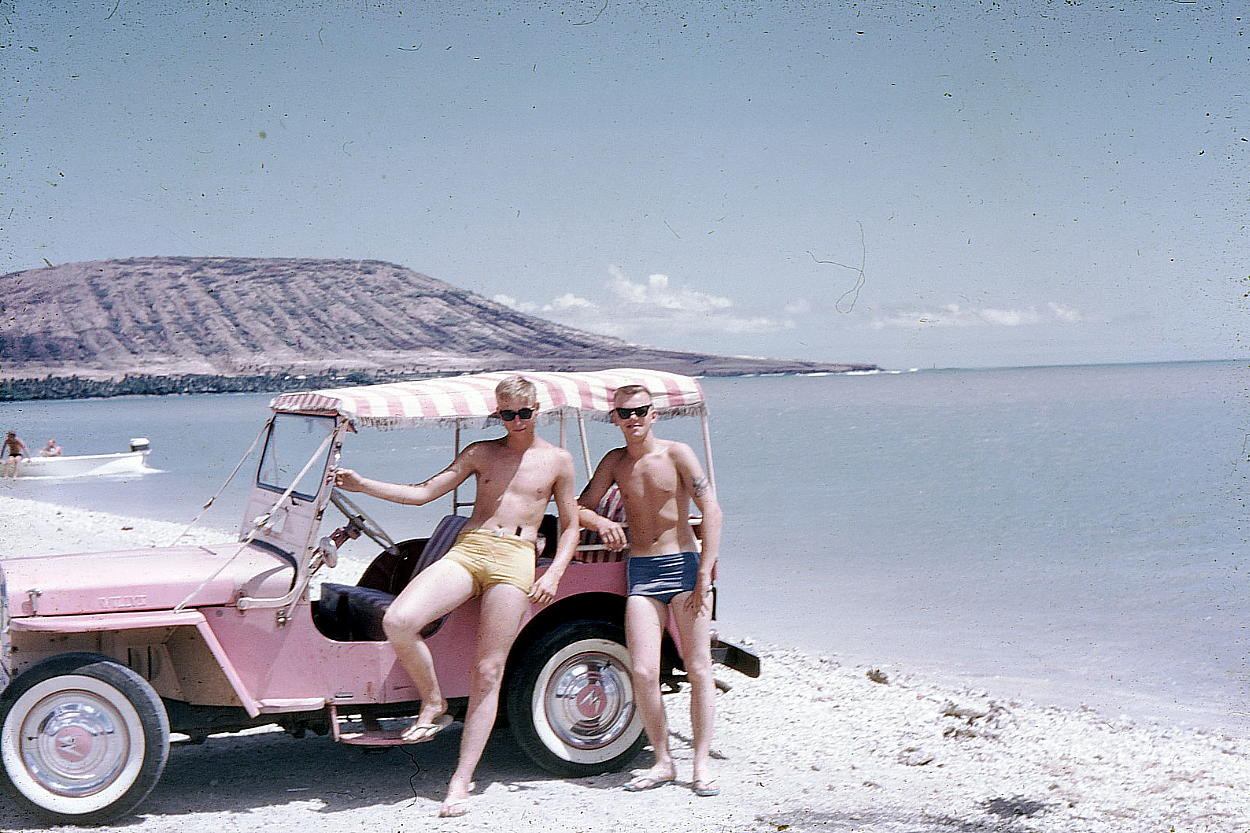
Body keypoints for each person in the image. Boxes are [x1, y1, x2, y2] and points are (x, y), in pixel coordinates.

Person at [333, 376, 580, 818]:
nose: (517, 422)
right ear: (497, 413)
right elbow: (424, 493)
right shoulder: (481, 453)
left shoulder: (558, 460)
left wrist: (556, 572)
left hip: (517, 558)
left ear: (536, 410)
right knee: (399, 621)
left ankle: (461, 779)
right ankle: (433, 701)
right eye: (507, 414)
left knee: (488, 671)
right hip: (471, 548)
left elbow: (572, 524)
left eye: (524, 413)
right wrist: (362, 484)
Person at [577, 384, 724, 798]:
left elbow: (711, 509)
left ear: (654, 414)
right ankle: (663, 760)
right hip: (641, 570)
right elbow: (580, 505)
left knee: (698, 667)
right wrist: (601, 523)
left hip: (683, 567)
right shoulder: (616, 461)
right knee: (642, 670)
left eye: (641, 411)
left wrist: (706, 571)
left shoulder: (676, 453)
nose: (634, 419)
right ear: (616, 419)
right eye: (625, 413)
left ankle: (700, 763)